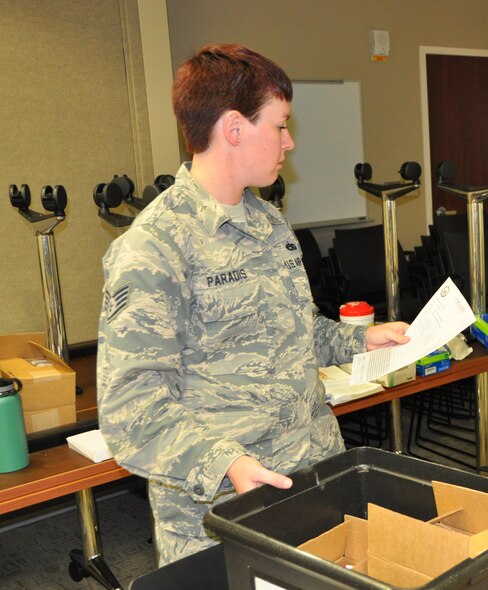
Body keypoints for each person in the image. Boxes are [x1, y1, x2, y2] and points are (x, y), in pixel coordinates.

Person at [96, 44, 409, 566]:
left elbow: (294, 331)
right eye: (281, 126)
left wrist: (359, 339)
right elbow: (131, 409)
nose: (289, 142)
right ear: (234, 128)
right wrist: (228, 462)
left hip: (312, 478)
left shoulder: (269, 224)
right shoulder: (156, 247)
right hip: (223, 510)